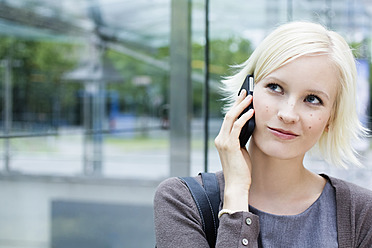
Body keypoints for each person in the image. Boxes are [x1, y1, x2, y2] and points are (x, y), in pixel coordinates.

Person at [153, 21, 372, 247]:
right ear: (247, 93)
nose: (288, 114)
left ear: (331, 118)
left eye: (312, 99)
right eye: (275, 87)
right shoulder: (182, 200)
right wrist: (236, 195)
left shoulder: (361, 213)